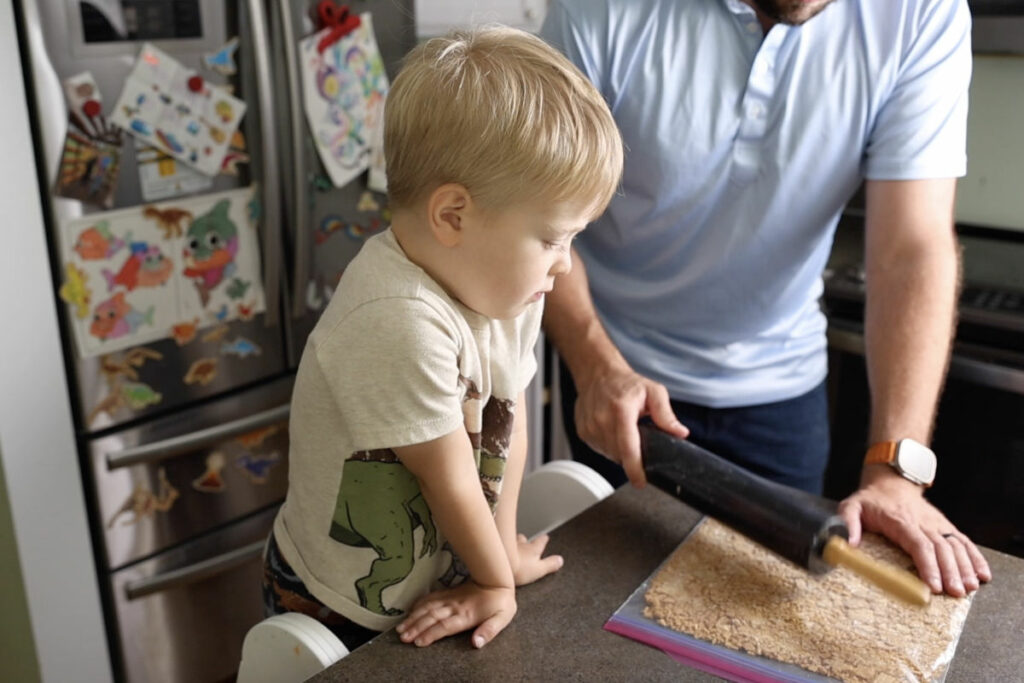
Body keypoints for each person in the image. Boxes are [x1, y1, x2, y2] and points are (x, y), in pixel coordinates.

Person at [540, 0, 992, 597]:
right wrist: (597, 365)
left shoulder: (922, 12)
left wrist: (895, 473)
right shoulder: (596, 9)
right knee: (604, 615)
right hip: (618, 383)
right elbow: (537, 213)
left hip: (781, 400)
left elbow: (912, 249)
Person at [263, 26, 624, 652]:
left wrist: (503, 554)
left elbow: (506, 431)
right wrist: (494, 584)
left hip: (434, 567)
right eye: (553, 238)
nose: (565, 264)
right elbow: (451, 477)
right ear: (454, 215)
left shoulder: (508, 288)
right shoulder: (394, 317)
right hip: (338, 598)